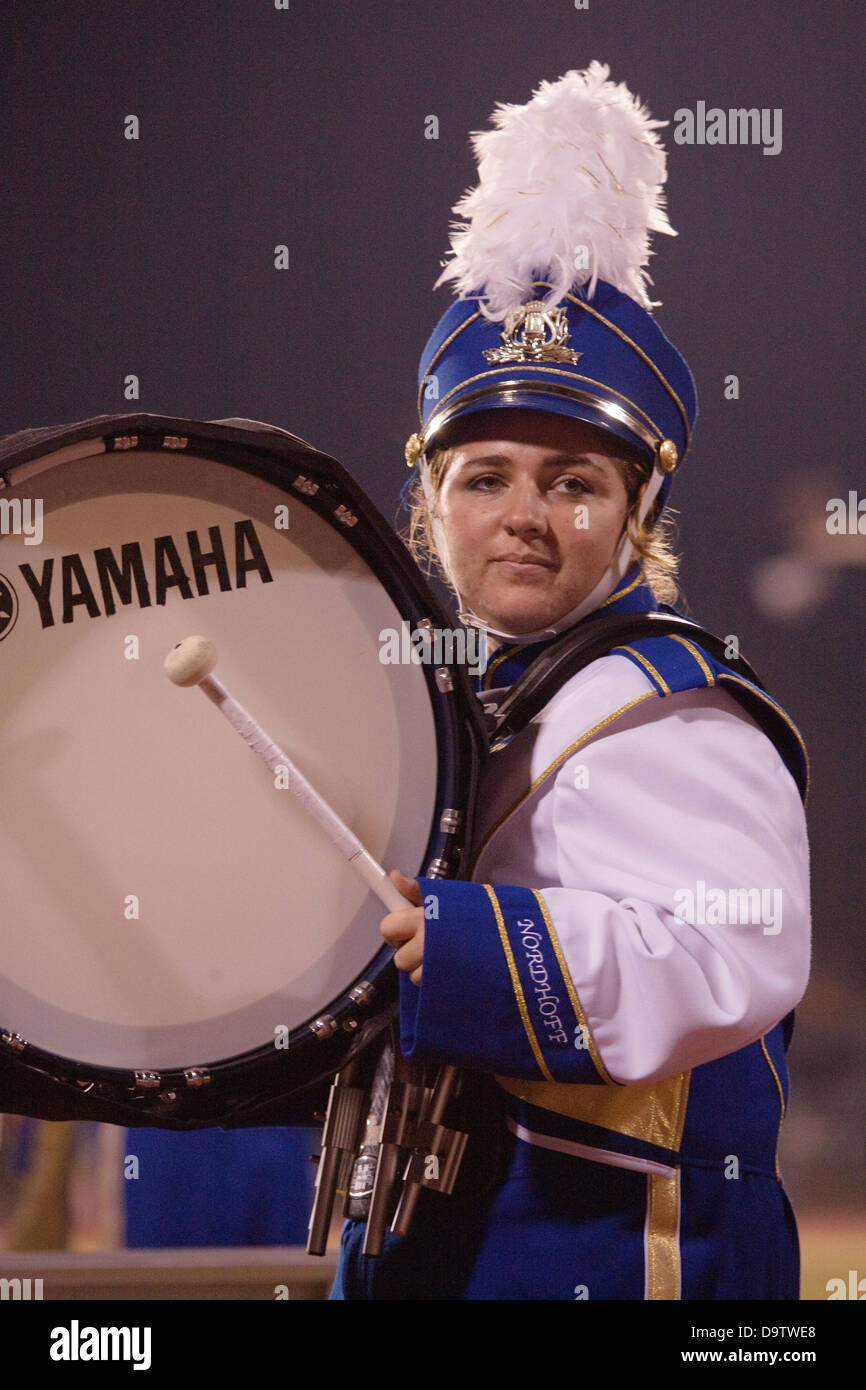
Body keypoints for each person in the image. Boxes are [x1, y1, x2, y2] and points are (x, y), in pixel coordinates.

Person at [329, 63, 811, 1300]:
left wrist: (466, 948)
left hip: (628, 1253)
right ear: (428, 509)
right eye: (482, 477)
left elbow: (734, 953)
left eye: (573, 483)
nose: (523, 517)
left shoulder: (680, 709)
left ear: (636, 511)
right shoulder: (453, 700)